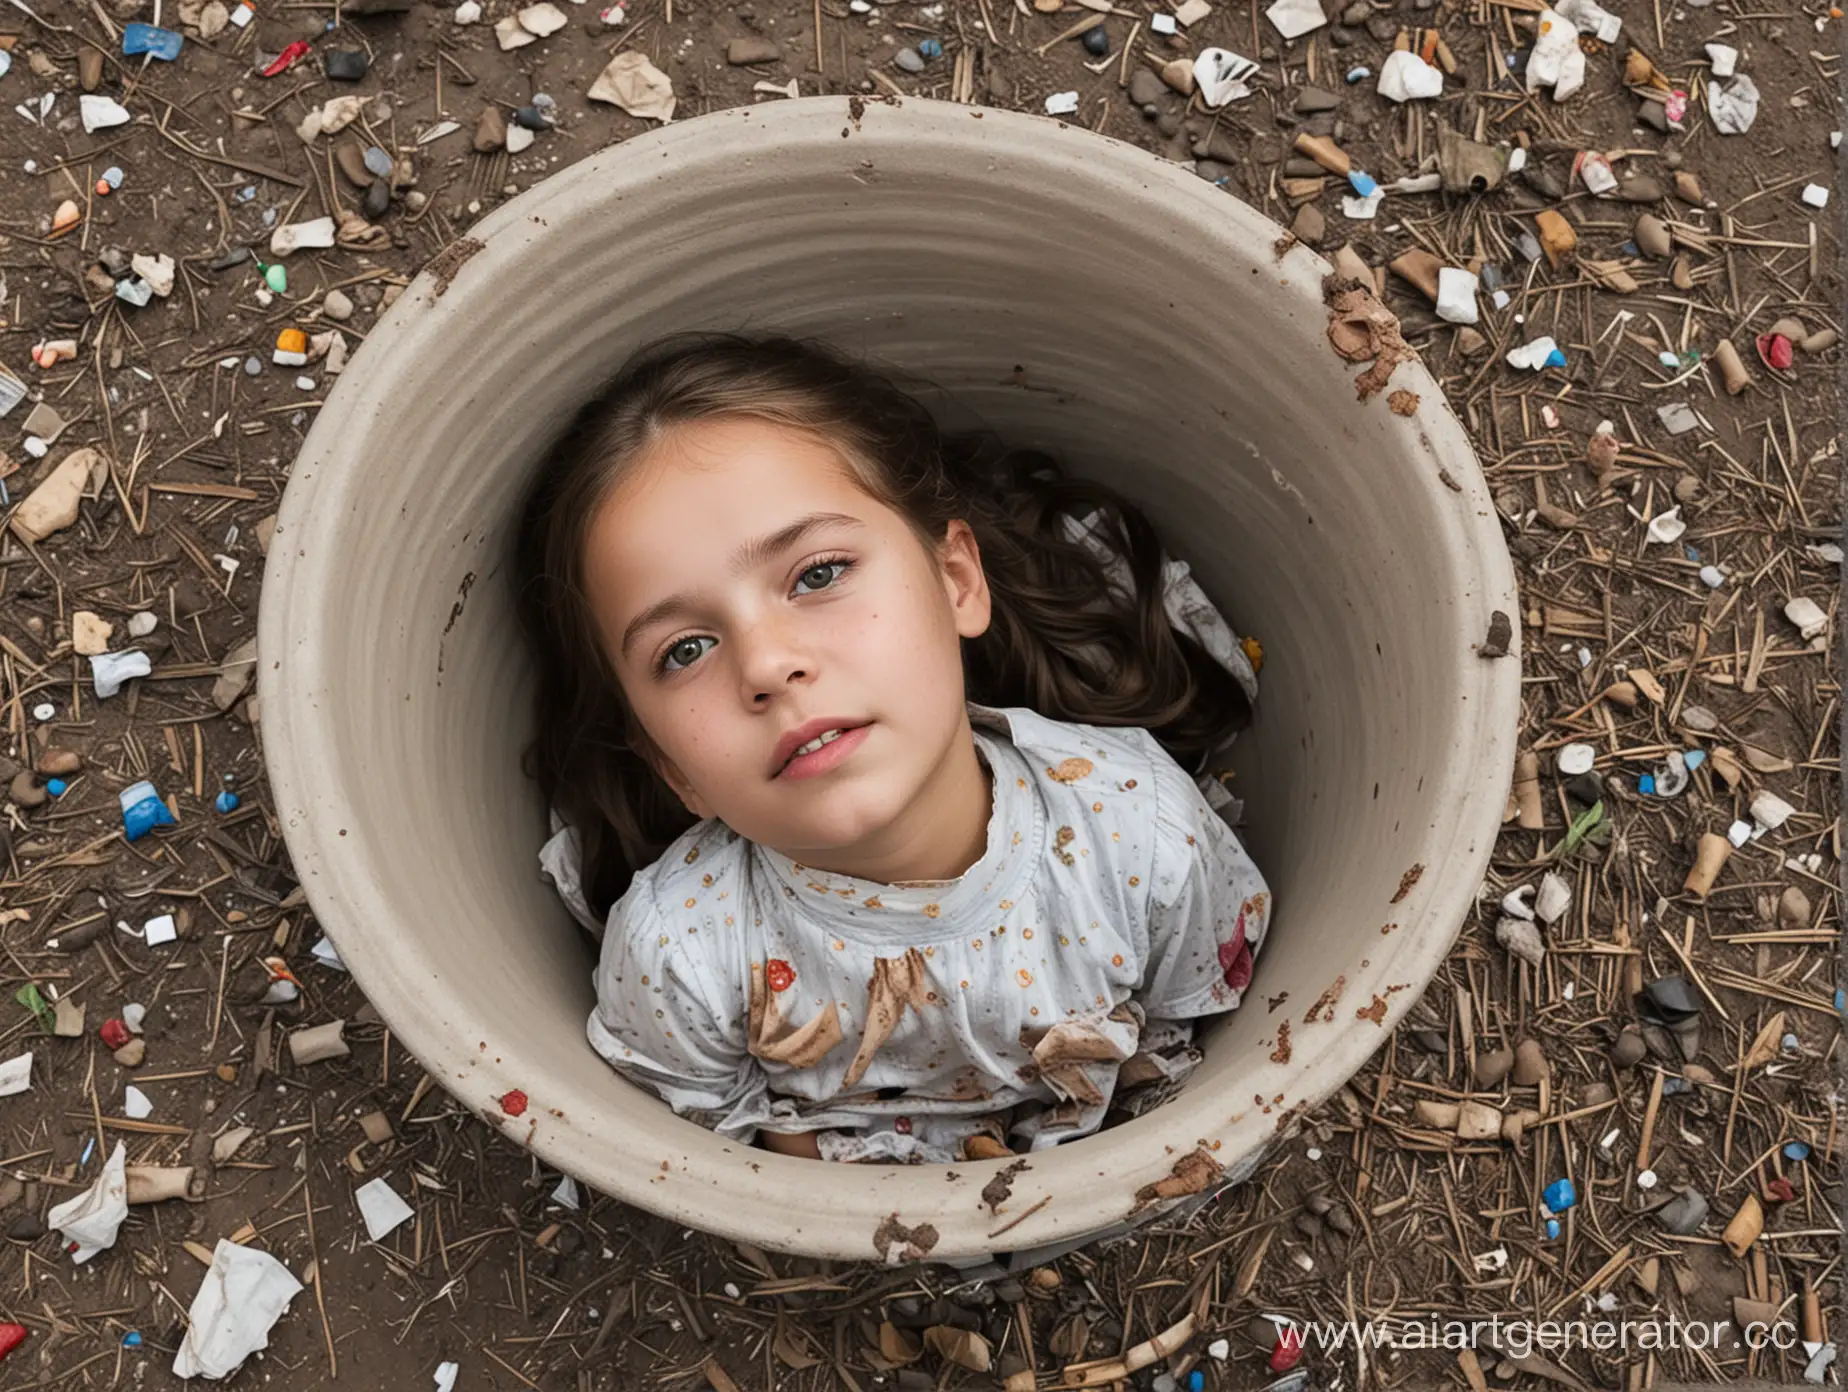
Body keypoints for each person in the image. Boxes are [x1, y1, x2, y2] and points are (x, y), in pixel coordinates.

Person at [515, 333, 1272, 1164]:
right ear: (669, 766)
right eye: (685, 650)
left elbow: (1185, 1023)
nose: (768, 664)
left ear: (956, 581)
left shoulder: (1142, 832)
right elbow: (707, 1137)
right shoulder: (679, 954)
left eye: (816, 574)